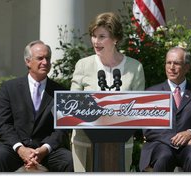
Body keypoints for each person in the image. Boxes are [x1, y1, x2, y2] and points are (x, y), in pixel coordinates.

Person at [70, 12, 145, 172]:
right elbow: (71, 105)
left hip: (121, 143)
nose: (96, 42)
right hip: (85, 141)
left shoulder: (135, 67)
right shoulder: (83, 65)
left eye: (102, 36)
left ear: (115, 38)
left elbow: (140, 108)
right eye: (94, 36)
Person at [0, 40, 74, 172]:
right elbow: (3, 123)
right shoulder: (9, 88)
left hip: (46, 150)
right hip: (15, 147)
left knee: (68, 160)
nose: (45, 62)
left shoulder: (60, 91)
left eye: (47, 58)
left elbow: (62, 129)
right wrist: (20, 149)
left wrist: (44, 149)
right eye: (40, 58)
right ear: (27, 61)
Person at [139, 46, 191, 172]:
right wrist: (178, 139)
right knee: (164, 156)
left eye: (176, 63)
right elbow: (148, 130)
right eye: (168, 63)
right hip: (160, 146)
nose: (171, 67)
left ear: (187, 67)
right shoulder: (152, 93)